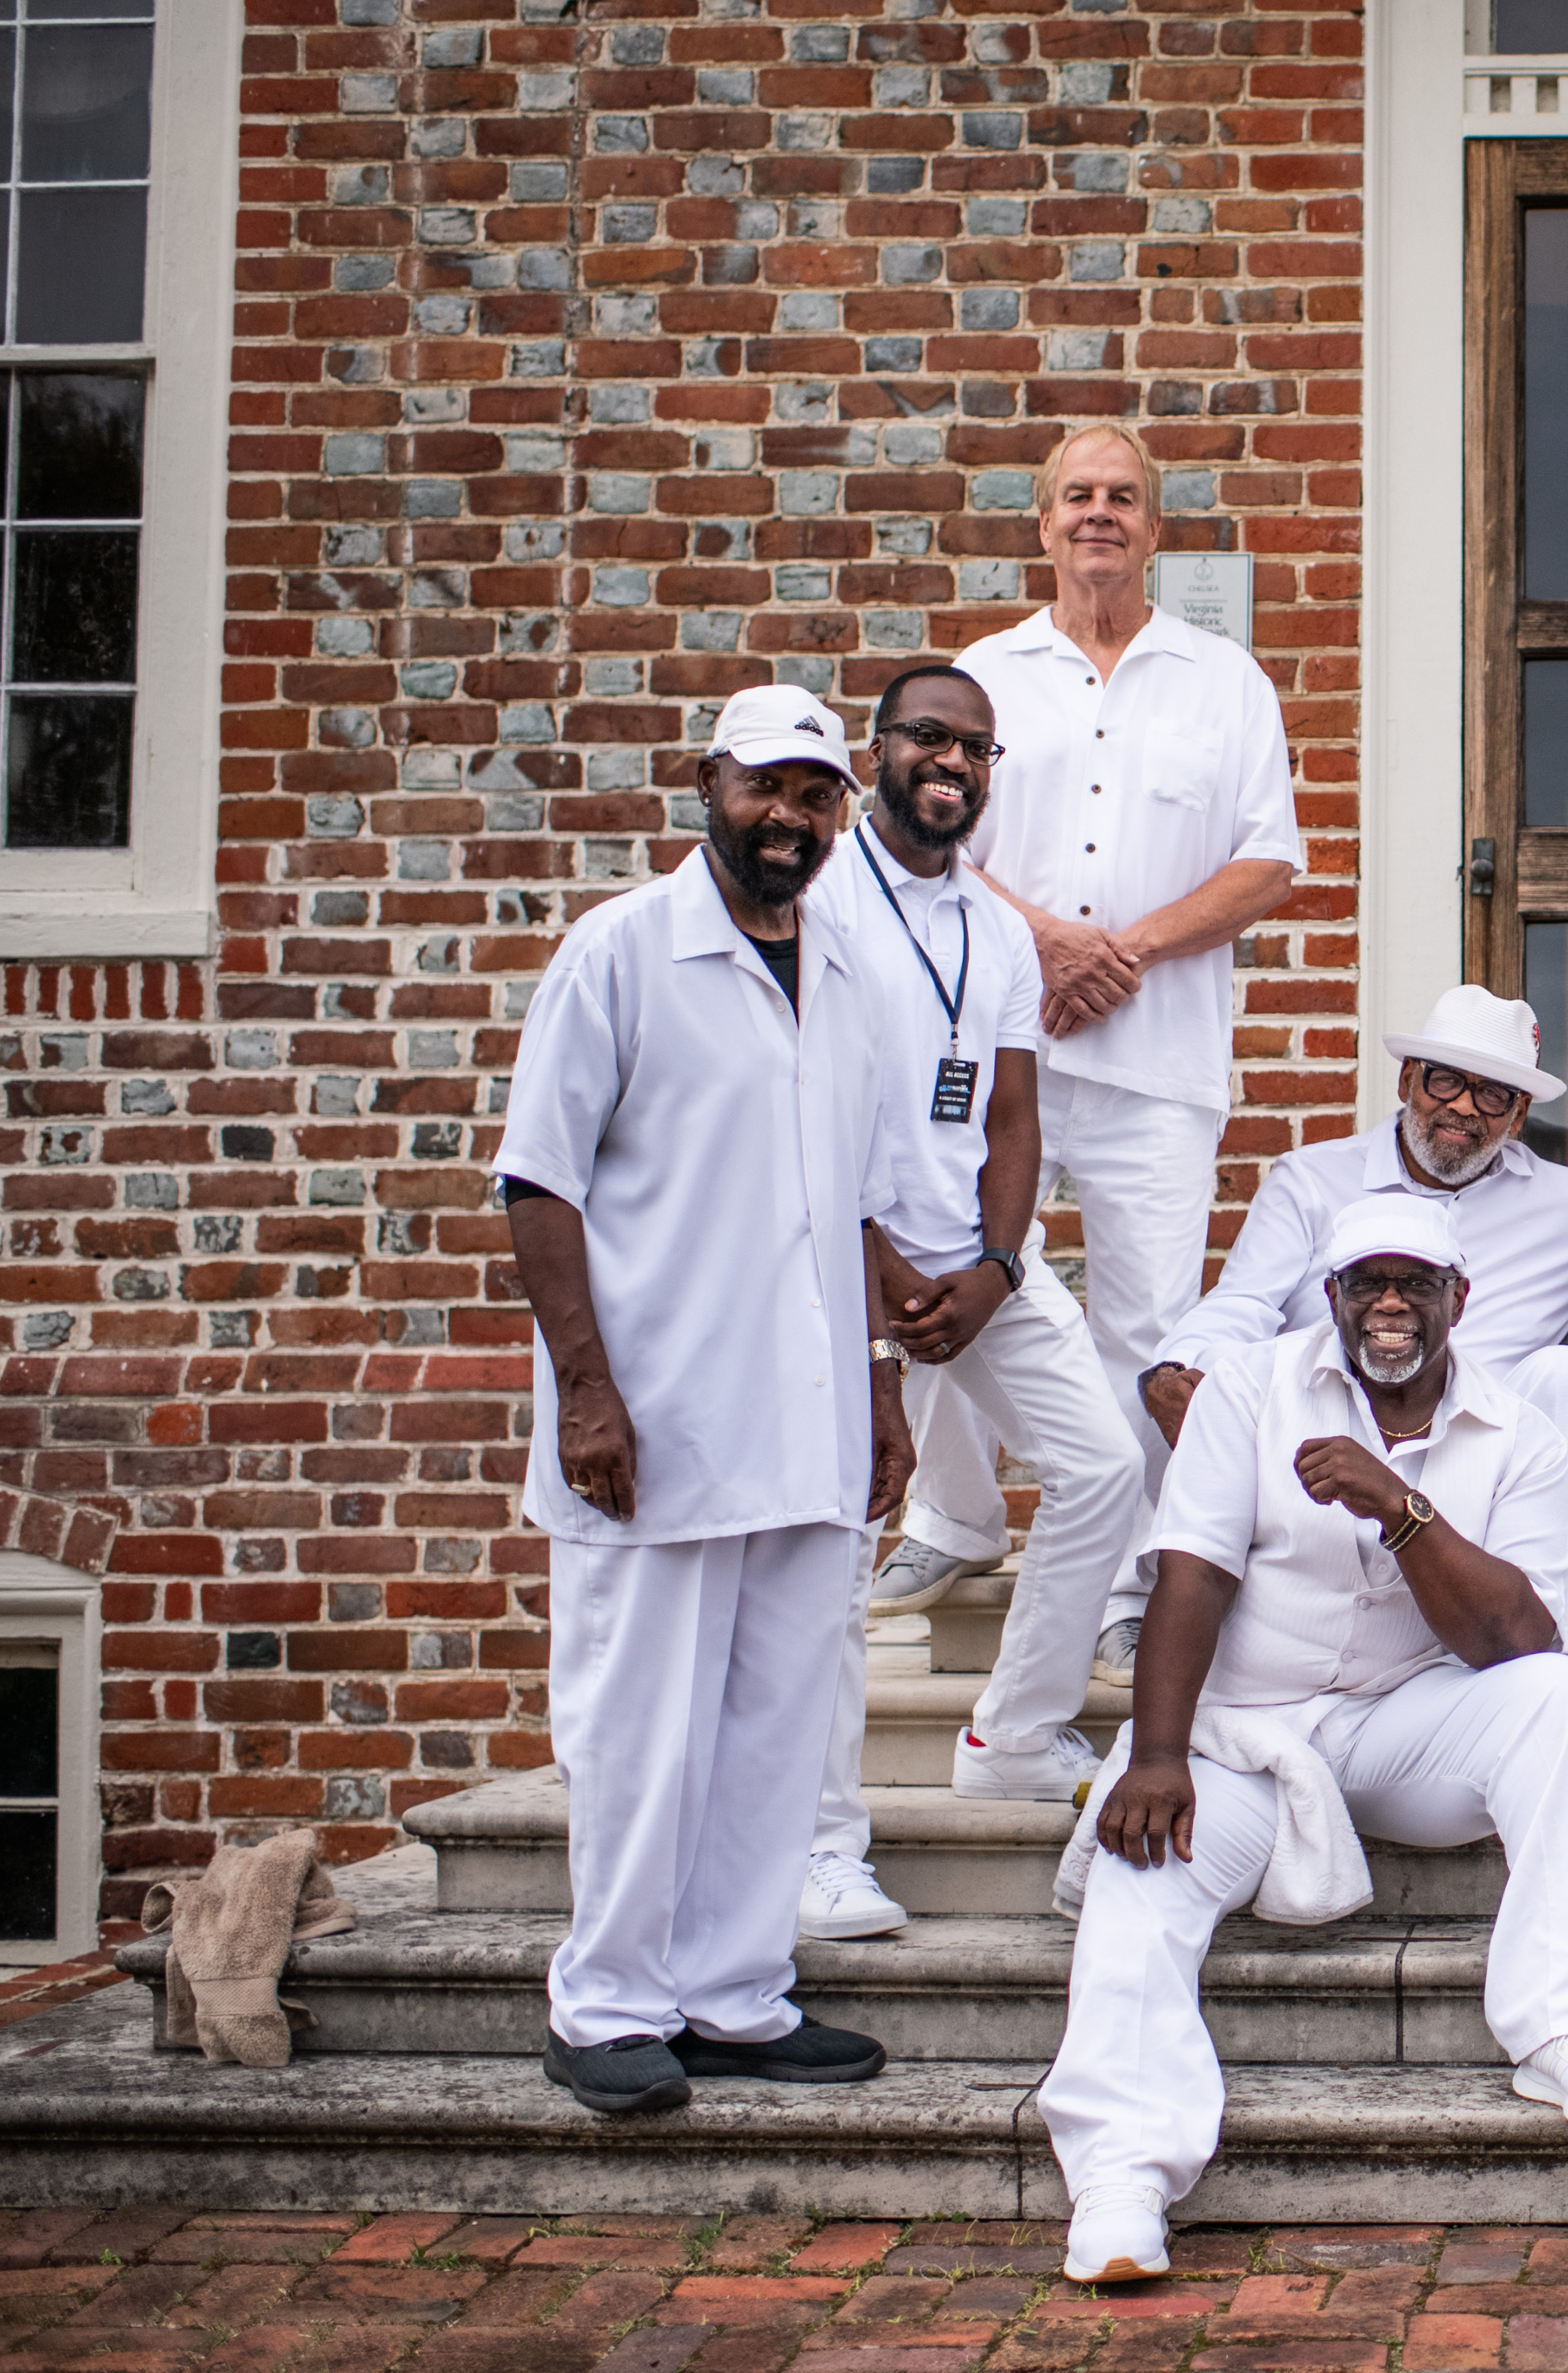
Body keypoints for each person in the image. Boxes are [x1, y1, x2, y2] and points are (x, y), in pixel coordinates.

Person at [1039, 1198, 1568, 2285]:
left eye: (1414, 1282)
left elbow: (1519, 1638)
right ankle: (1122, 2174)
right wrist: (1155, 1754)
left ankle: (1566, 2029)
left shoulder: (1520, 1430)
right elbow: (1191, 1573)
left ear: (1460, 1297)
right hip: (1241, 1738)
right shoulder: (1250, 1387)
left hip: (1397, 1732)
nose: (1388, 1303)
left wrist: (1402, 1508)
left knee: (1561, 1696)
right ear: (1329, 1296)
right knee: (1144, 1871)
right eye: (1366, 1282)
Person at [493, 683, 908, 2115]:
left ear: (841, 811)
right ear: (707, 785)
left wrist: (884, 1392)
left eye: (814, 794)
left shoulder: (846, 973)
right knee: (640, 1731)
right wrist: (585, 1392)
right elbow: (537, 1182)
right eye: (762, 786)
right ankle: (606, 2003)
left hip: (810, 1420)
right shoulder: (620, 953)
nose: (787, 816)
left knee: (775, 1728)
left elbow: (856, 1203)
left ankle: (735, 1995)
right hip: (657, 1419)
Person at [908, 423, 1305, 1670]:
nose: (1099, 514)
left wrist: (1119, 951)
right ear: (1043, 524)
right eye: (1077, 495)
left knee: (1148, 1322)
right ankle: (955, 1516)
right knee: (955, 1262)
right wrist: (1048, 944)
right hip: (1003, 1050)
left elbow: (1268, 861)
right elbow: (941, 844)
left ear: (1154, 527)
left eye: (1122, 497)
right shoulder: (986, 674)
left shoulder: (1224, 680)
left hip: (1159, 1062)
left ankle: (1135, 1578)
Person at [800, 664, 1147, 1942]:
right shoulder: (818, 899)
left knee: (1104, 1468)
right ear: (877, 751)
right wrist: (883, 1266)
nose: (953, 763)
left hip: (978, 1260)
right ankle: (823, 1843)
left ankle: (1014, 1737)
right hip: (834, 1257)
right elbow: (803, 1104)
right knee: (841, 1539)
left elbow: (1010, 1114)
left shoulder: (993, 928)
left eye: (976, 749)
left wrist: (1000, 1266)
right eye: (930, 738)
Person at [1134, 984, 1568, 1659]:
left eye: (1493, 1094)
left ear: (1518, 1116)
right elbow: (1241, 1304)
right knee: (1180, 1375)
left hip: (1484, 1466)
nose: (1465, 1106)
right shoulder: (1312, 1179)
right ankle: (1146, 1604)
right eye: (1445, 1080)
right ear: (1407, 1081)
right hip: (1330, 1446)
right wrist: (1179, 1368)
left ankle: (1555, 1650)